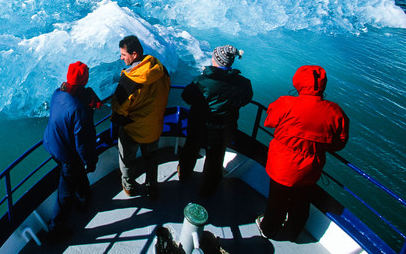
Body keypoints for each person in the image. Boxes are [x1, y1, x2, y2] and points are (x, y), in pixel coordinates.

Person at [257, 65, 349, 241]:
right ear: (323, 84)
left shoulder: (286, 103)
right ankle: (293, 233)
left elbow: (269, 121)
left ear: (298, 82)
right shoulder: (335, 112)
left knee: (277, 202)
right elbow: (339, 144)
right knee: (301, 203)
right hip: (310, 169)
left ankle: (268, 229)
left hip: (281, 167)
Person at [177, 45, 253, 197]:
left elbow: (186, 96)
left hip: (199, 125)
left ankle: (184, 175)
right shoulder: (243, 83)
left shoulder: (202, 81)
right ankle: (208, 189)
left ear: (216, 60)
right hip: (224, 129)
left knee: (190, 150)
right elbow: (246, 98)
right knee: (215, 158)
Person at [43, 61, 100, 242]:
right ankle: (55, 230)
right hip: (66, 153)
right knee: (64, 193)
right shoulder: (79, 110)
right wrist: (90, 161)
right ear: (85, 80)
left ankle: (83, 196)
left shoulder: (57, 93)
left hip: (51, 143)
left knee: (75, 172)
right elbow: (82, 143)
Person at [111, 35, 170, 198]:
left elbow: (118, 109)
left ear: (134, 55)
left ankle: (129, 187)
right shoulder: (161, 69)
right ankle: (151, 187)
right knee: (151, 159)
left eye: (123, 54)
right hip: (154, 126)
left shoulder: (130, 81)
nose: (121, 58)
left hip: (133, 129)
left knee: (127, 160)